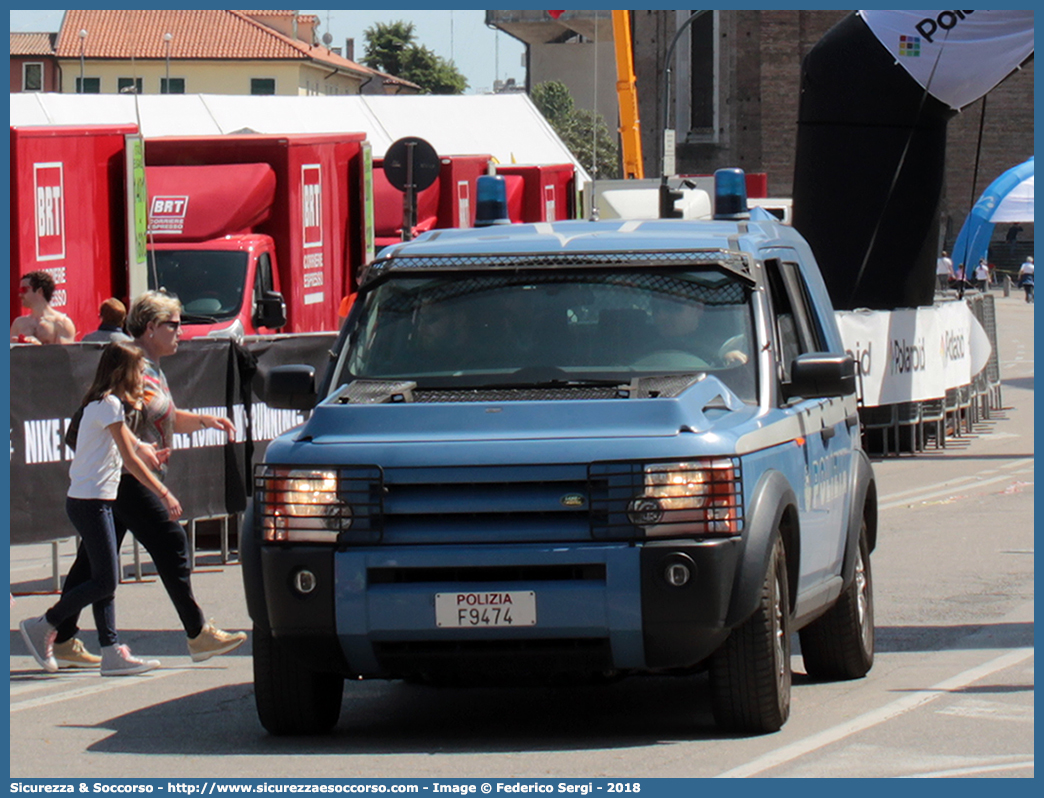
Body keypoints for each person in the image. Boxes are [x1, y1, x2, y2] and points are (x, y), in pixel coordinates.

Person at [50, 291, 246, 668]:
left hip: (125, 478)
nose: (181, 332)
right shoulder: (134, 367)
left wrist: (206, 420)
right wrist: (152, 473)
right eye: (173, 324)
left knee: (90, 564)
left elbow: (167, 416)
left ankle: (59, 634)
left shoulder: (152, 367)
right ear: (151, 327)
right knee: (171, 540)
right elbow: (120, 427)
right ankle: (198, 632)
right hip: (126, 478)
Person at [19, 342, 180, 676]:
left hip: (96, 501)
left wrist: (145, 448)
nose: (142, 376)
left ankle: (110, 651)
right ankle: (45, 624)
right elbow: (131, 460)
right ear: (123, 372)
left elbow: (127, 446)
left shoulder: (105, 404)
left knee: (102, 578)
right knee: (106, 581)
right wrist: (164, 492)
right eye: (138, 370)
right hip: (90, 504)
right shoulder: (108, 405)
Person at [10, 270, 77, 344]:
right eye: (19, 291)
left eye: (23, 290)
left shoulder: (61, 323)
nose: (20, 295)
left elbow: (63, 354)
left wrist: (37, 347)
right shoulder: (19, 323)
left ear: (39, 291)